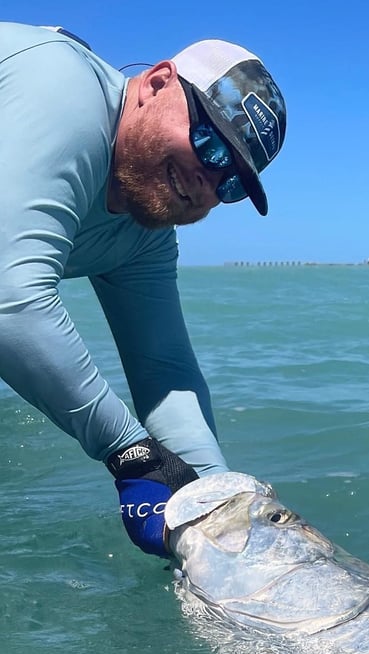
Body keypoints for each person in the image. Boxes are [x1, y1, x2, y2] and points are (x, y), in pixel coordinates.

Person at [0, 23, 286, 557]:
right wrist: (132, 454)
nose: (208, 177)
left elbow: (164, 372)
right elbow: (11, 301)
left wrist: (217, 511)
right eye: (208, 142)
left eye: (230, 183)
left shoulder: (142, 234)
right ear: (156, 82)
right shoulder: (62, 90)